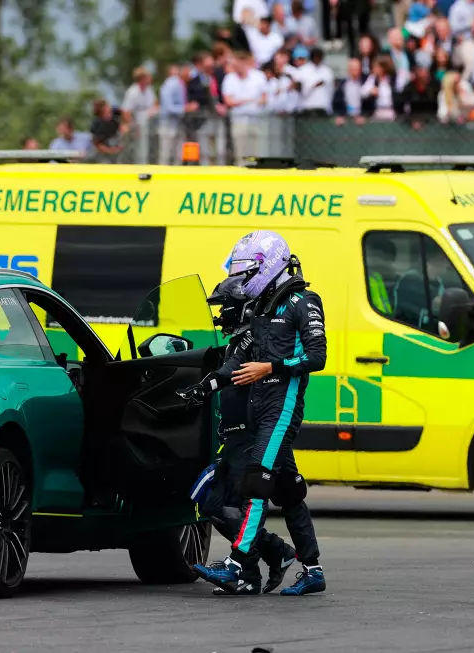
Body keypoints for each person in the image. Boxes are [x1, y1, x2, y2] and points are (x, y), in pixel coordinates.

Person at [192, 230, 327, 596]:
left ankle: (237, 566)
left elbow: (317, 357)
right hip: (259, 407)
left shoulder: (304, 301)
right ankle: (312, 570)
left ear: (269, 266)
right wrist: (205, 387)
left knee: (256, 481)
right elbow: (237, 363)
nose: (243, 281)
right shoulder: (260, 309)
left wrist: (269, 368)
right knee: (289, 490)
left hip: (283, 405)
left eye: (247, 272)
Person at [179, 276, 298, 596]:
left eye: (225, 307)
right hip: (232, 438)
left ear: (243, 307)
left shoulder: (254, 341)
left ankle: (248, 575)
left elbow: (229, 372)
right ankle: (276, 553)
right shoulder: (240, 340)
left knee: (234, 503)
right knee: (209, 500)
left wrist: (203, 387)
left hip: (249, 438)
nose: (220, 315)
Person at [222, 51, 268, 165]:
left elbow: (264, 98)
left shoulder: (259, 76)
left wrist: (243, 101)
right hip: (239, 120)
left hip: (257, 119)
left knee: (258, 152)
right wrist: (249, 100)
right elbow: (228, 101)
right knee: (241, 153)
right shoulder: (229, 78)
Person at [188, 52, 229, 165]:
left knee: (220, 149)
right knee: (205, 150)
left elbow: (225, 93)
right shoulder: (194, 81)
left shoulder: (220, 77)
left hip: (219, 118)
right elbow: (194, 98)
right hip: (204, 119)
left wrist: (223, 105)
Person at [121, 67, 158, 165]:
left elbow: (155, 103)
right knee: (140, 151)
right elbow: (125, 111)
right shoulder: (132, 92)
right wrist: (133, 125)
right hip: (138, 123)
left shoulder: (149, 89)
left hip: (150, 123)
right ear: (142, 78)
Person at [158, 64, 188, 165]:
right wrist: (186, 108)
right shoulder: (171, 84)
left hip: (178, 125)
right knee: (166, 155)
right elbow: (169, 108)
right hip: (168, 125)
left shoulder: (179, 84)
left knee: (178, 155)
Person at [294, 46, 335, 115]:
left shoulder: (327, 71)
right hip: (306, 109)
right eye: (315, 57)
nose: (317, 59)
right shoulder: (303, 70)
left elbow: (331, 89)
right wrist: (313, 85)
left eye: (319, 57)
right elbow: (298, 88)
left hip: (323, 109)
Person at [402, 59, 442, 127]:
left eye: (426, 73)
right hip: (414, 119)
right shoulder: (409, 87)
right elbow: (402, 106)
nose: (425, 76)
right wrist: (412, 120)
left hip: (432, 118)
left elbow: (438, 104)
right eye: (422, 73)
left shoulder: (435, 86)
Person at [88, 99, 127, 163]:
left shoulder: (115, 112)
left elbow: (124, 113)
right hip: (104, 150)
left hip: (117, 138)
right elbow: (98, 145)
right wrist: (112, 150)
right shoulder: (97, 125)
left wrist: (124, 124)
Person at [362, 55, 399, 121]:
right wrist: (370, 91)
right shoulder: (372, 78)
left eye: (376, 67)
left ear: (383, 68)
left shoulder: (393, 79)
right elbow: (362, 92)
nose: (373, 69)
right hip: (377, 112)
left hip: (391, 112)